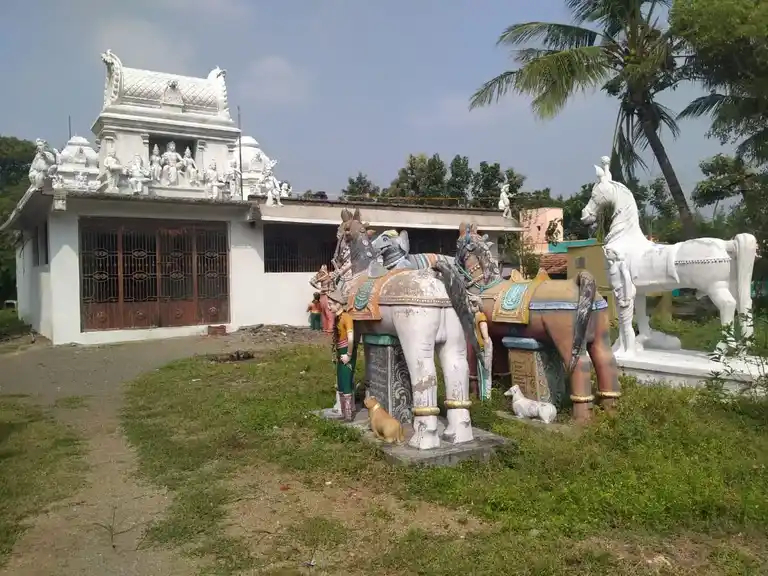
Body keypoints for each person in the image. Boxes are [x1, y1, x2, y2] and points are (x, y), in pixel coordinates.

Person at [326, 289, 357, 421]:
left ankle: (348, 415)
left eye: (330, 304)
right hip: (341, 351)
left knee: (346, 382)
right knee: (341, 383)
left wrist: (349, 355)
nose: (329, 306)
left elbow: (351, 338)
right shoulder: (338, 318)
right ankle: (344, 413)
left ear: (338, 304)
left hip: (346, 352)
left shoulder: (346, 318)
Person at [469, 294, 493, 400]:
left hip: (484, 347)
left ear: (478, 305)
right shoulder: (475, 317)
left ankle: (486, 398)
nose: (471, 307)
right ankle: (483, 397)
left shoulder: (481, 317)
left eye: (473, 304)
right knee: (481, 374)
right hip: (480, 347)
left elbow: (485, 336)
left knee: (485, 373)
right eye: (470, 304)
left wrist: (486, 350)